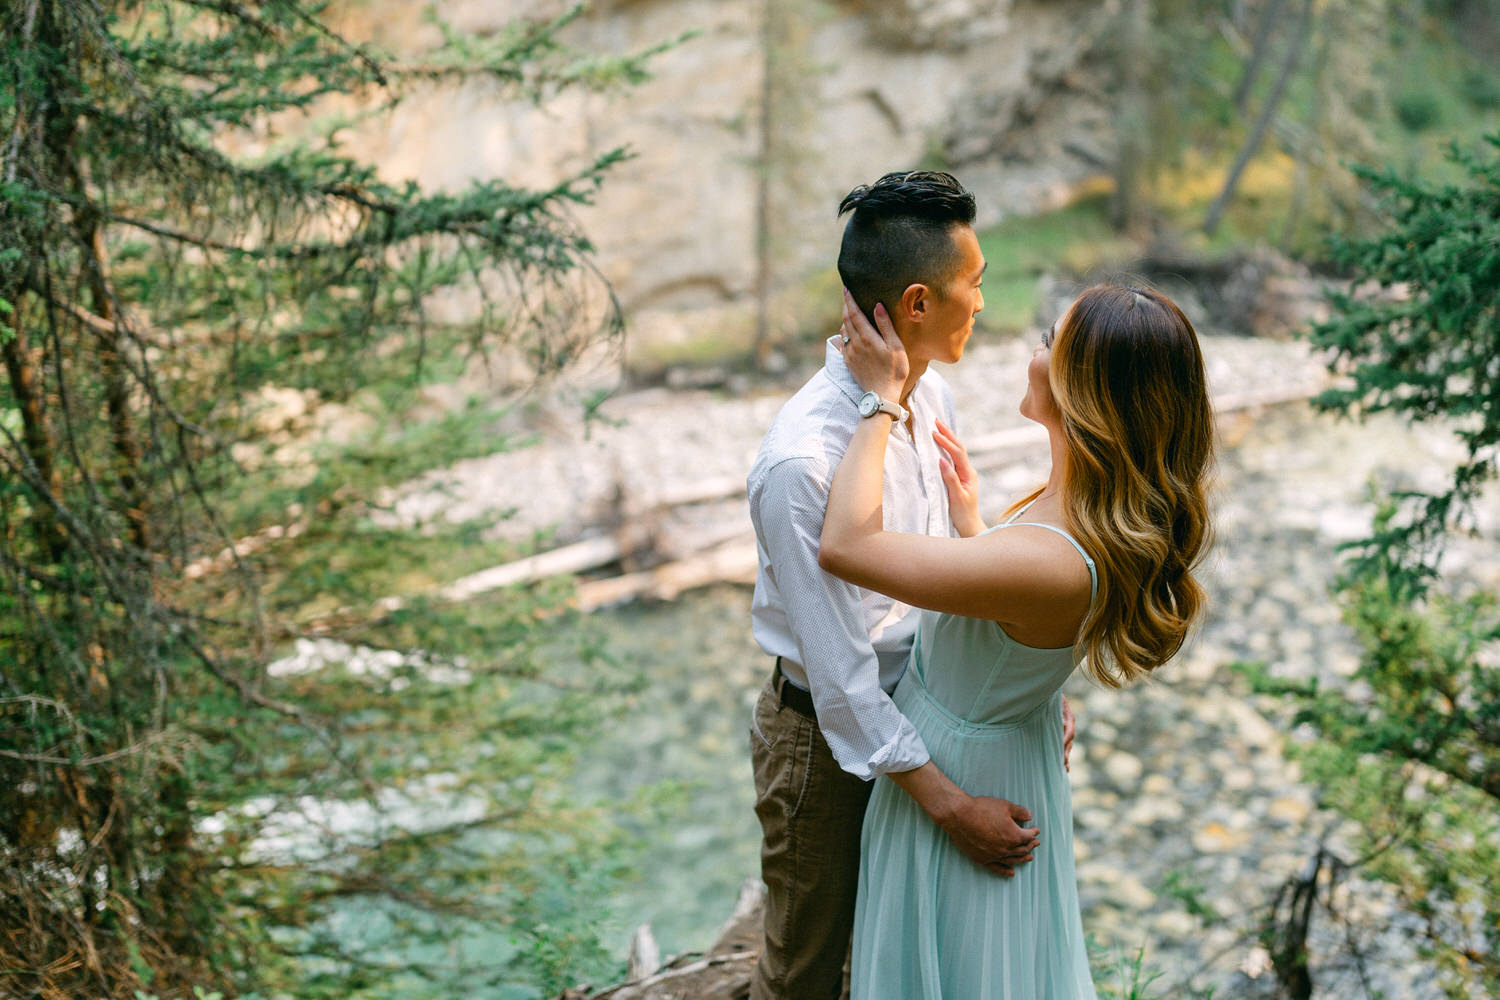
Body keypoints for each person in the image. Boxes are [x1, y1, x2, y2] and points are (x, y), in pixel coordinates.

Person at [820, 282, 1214, 998]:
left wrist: (881, 396)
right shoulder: (1089, 510)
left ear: (1081, 391)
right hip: (1007, 744)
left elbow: (846, 545)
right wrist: (978, 530)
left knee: (965, 968)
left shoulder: (1049, 558)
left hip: (969, 771)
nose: (1033, 353)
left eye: (1048, 342)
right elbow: (1022, 623)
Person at [745, 171, 1073, 1000]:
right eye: (977, 284)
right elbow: (843, 681)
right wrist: (952, 806)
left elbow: (950, 580)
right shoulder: (801, 464)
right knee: (806, 974)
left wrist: (1023, 687)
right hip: (826, 747)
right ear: (919, 303)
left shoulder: (936, 398)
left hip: (933, 712)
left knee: (907, 956)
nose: (986, 304)